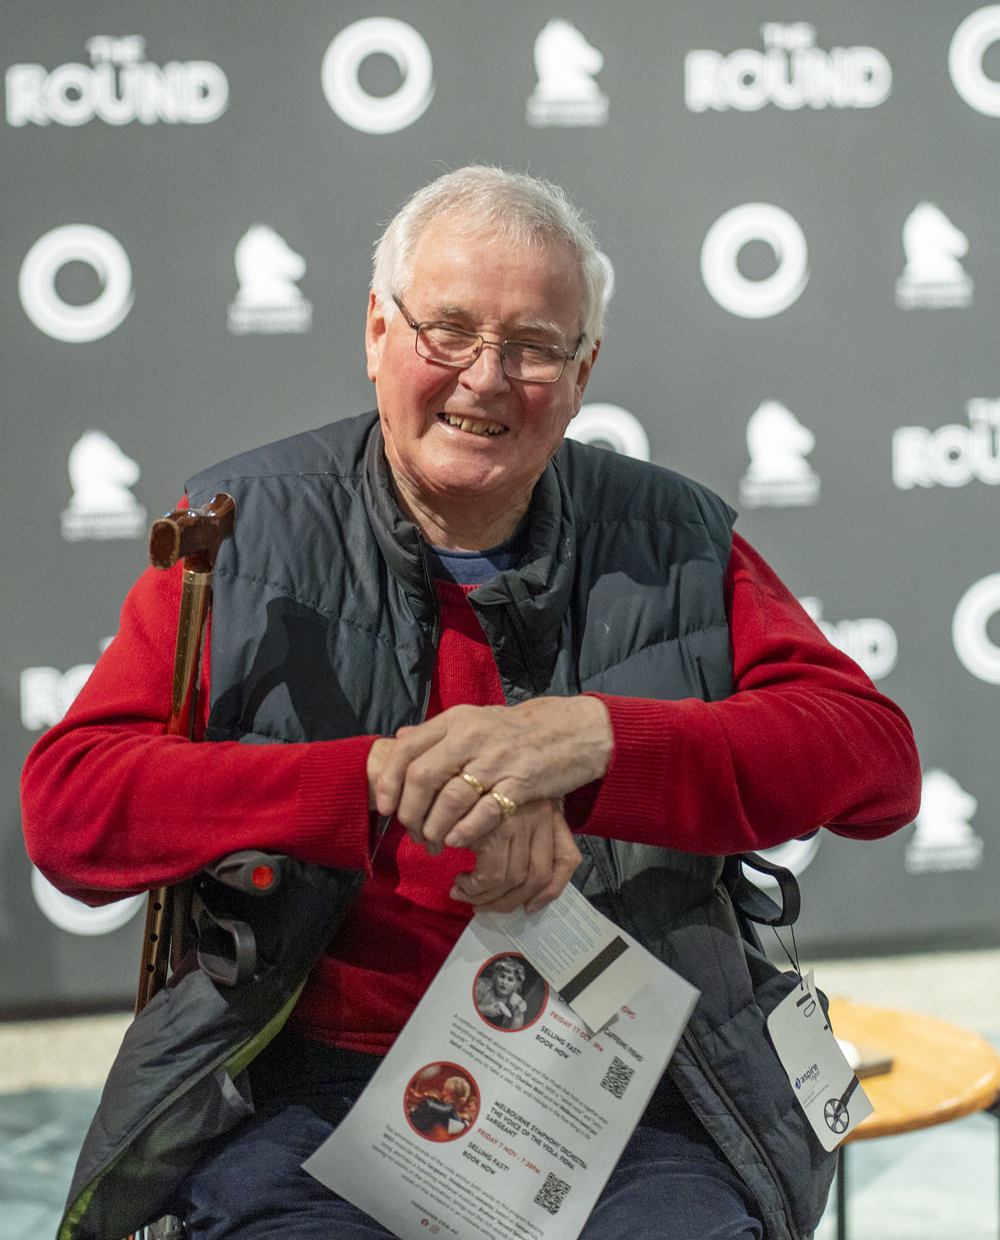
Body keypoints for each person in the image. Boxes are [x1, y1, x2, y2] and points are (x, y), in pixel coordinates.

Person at [21, 165, 921, 1240]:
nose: (484, 381)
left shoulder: (673, 535)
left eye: (533, 347)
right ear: (374, 332)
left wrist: (590, 745)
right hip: (310, 1085)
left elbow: (874, 765)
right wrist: (366, 785)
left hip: (626, 1092)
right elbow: (73, 809)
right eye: (444, 330)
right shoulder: (242, 530)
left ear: (584, 371)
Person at [474, 954, 529, 1028]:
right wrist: (482, 1009)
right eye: (502, 976)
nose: (504, 982)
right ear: (496, 976)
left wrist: (517, 1014)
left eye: (510, 980)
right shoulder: (481, 985)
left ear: (516, 985)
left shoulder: (515, 1002)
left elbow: (513, 1033)